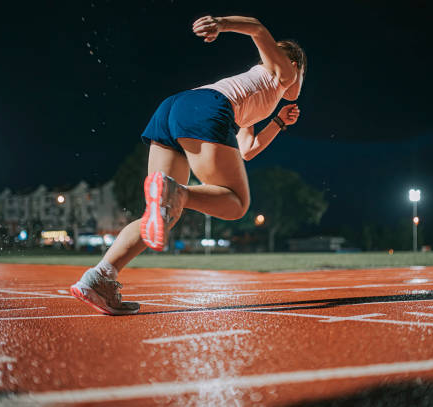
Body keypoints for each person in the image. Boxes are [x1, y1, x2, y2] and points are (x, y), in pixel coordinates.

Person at [70, 15, 306, 315]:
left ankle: (99, 276)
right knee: (236, 203)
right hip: (207, 109)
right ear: (295, 66)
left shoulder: (256, 95)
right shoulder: (282, 71)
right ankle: (180, 193)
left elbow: (247, 150)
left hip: (176, 107)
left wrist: (277, 123)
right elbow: (258, 28)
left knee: (161, 212)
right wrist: (221, 23)